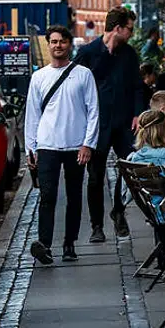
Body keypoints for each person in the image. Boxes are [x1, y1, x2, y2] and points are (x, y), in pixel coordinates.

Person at [24, 25, 100, 265]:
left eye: (62, 41)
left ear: (69, 45)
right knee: (47, 196)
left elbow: (93, 111)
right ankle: (44, 245)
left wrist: (88, 144)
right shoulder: (39, 77)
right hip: (47, 145)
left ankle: (69, 243)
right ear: (48, 45)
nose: (58, 46)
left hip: (75, 145)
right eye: (54, 42)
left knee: (74, 196)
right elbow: (32, 115)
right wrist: (30, 149)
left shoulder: (84, 75)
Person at [74, 6, 144, 243]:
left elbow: (137, 86)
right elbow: (77, 87)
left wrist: (137, 114)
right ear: (118, 28)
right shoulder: (88, 53)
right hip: (97, 125)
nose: (132, 34)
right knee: (95, 177)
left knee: (128, 170)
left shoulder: (129, 54)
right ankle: (97, 226)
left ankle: (118, 210)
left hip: (124, 124)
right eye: (129, 29)